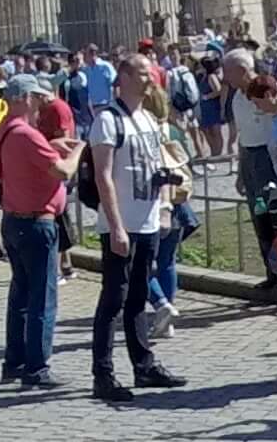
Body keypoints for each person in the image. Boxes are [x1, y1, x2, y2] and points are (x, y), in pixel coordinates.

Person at [86, 60, 186, 401]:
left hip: (147, 221)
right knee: (112, 300)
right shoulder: (107, 120)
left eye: (151, 74)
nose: (150, 79)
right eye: (143, 74)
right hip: (122, 224)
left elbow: (153, 164)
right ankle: (103, 374)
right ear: (125, 78)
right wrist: (115, 227)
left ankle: (144, 366)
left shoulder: (146, 118)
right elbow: (103, 175)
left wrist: (165, 200)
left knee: (138, 298)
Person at [0, 82, 75, 391]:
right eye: (37, 98)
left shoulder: (4, 130)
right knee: (42, 297)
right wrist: (77, 150)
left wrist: (51, 147)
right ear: (24, 98)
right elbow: (63, 171)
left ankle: (14, 361)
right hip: (36, 222)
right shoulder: (26, 134)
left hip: (14, 219)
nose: (40, 104)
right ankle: (37, 366)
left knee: (20, 297)